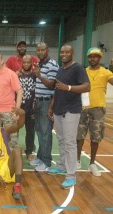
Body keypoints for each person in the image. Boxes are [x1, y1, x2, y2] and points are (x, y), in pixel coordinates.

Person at [48, 44, 90, 189]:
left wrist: (69, 88)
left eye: (67, 52)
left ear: (72, 53)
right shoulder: (60, 69)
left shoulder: (78, 68)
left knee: (70, 143)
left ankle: (71, 175)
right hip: (58, 110)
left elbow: (87, 86)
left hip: (71, 111)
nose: (63, 54)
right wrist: (52, 106)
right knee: (61, 140)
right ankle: (61, 166)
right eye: (62, 52)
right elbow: (58, 90)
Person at [77, 48, 113, 176]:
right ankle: (77, 161)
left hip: (98, 110)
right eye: (91, 56)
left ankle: (92, 163)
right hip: (83, 108)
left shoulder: (106, 72)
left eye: (96, 56)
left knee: (95, 138)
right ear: (88, 58)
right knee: (79, 136)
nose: (93, 59)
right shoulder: (83, 71)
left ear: (100, 58)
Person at [30, 42, 59, 171]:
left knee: (46, 132)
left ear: (47, 50)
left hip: (47, 102)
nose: (40, 52)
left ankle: (46, 162)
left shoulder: (52, 64)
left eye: (43, 50)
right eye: (38, 50)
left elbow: (52, 85)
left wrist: (39, 75)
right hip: (38, 102)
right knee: (40, 131)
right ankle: (41, 157)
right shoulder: (40, 64)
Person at [18, 55, 36, 161]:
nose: (26, 64)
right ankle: (13, 149)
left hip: (31, 108)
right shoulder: (17, 75)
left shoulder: (35, 75)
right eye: (24, 62)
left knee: (30, 131)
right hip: (20, 107)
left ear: (31, 63)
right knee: (15, 130)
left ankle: (29, 151)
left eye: (28, 62)